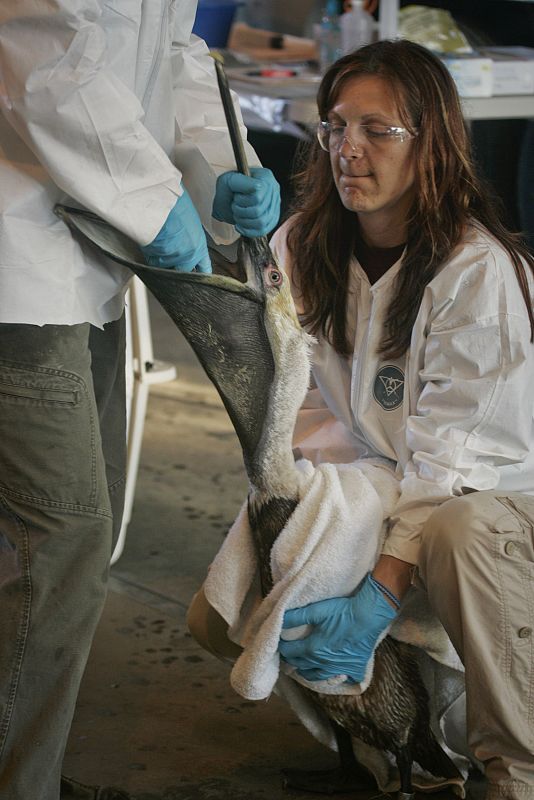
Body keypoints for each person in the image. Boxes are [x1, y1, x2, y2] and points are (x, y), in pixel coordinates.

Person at [188, 39, 534, 800]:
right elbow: (301, 405)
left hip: (498, 503)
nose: (349, 150)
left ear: (432, 144)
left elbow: (454, 457)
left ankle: (517, 770)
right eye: (336, 127)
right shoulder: (305, 244)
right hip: (390, 475)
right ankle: (389, 749)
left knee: (453, 529)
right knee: (269, 548)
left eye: (378, 131)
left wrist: (378, 590)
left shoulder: (476, 271)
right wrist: (312, 513)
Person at [0, 2, 280, 799]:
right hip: (15, 268)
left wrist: (224, 165)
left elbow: (174, 52)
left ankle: (33, 771)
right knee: (62, 543)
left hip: (86, 262)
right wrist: (161, 206)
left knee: (71, 544)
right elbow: (47, 64)